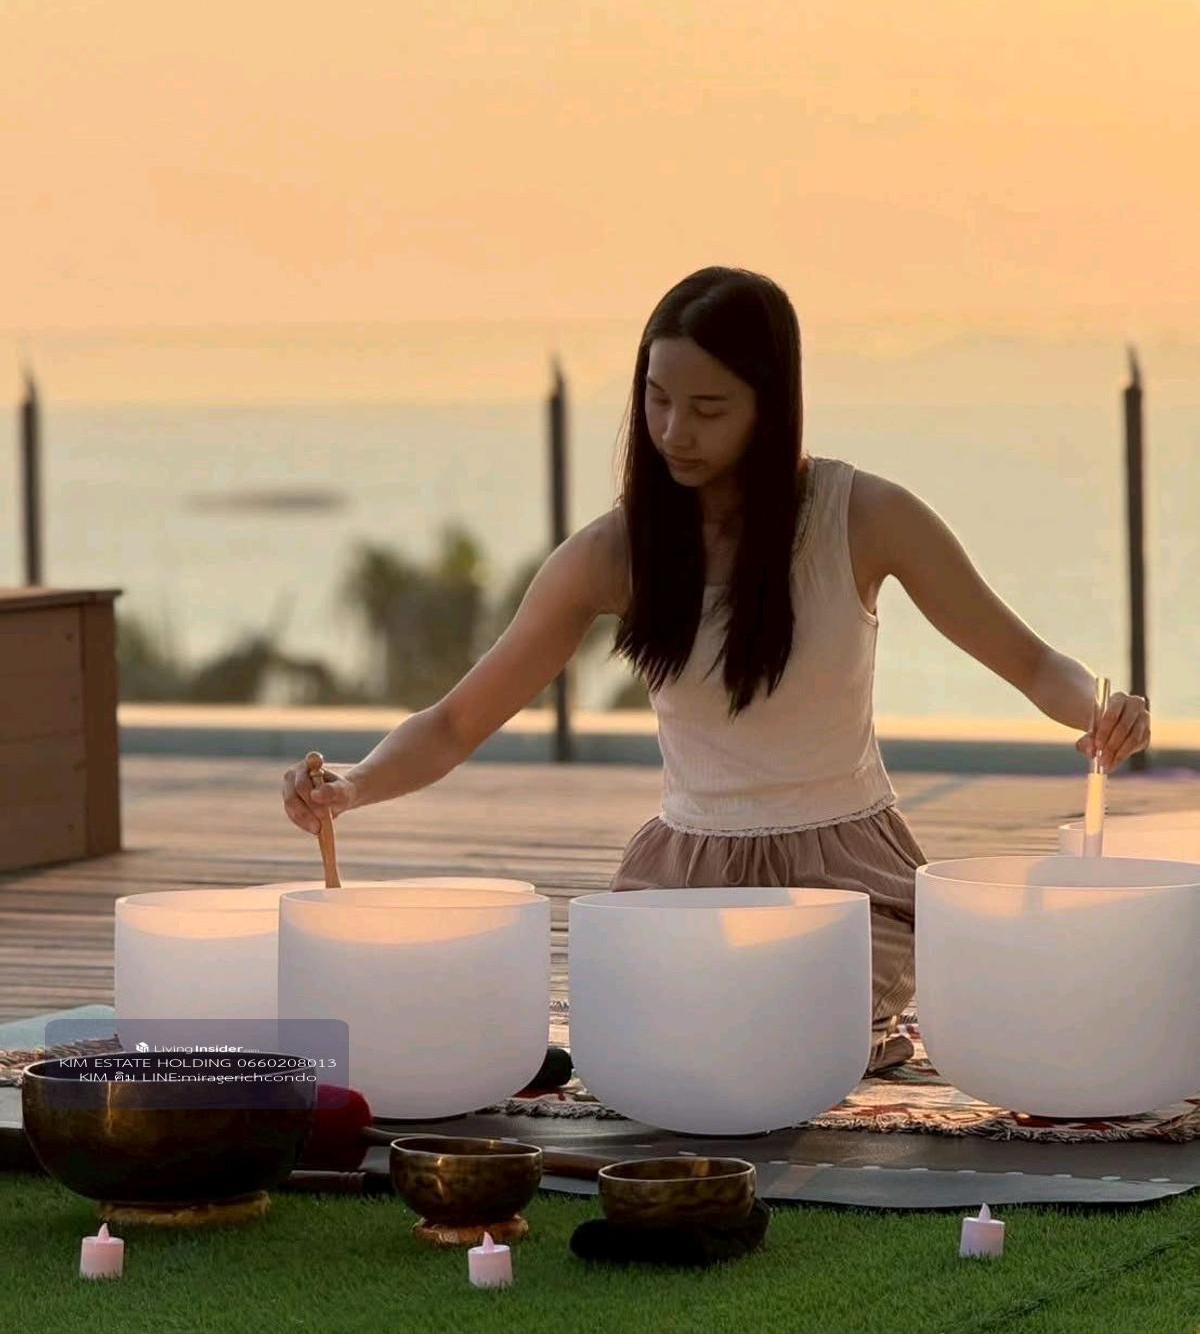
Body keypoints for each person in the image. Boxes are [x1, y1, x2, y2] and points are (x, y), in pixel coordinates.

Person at [281, 265, 1151, 1073]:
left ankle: (840, 1035)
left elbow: (1031, 660)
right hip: (684, 877)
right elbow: (454, 722)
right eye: (657, 400)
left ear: (769, 407)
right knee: (678, 1033)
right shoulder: (616, 551)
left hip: (847, 873)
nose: (673, 432)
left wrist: (1099, 709)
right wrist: (351, 786)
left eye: (707, 407)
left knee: (772, 1022)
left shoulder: (865, 517)